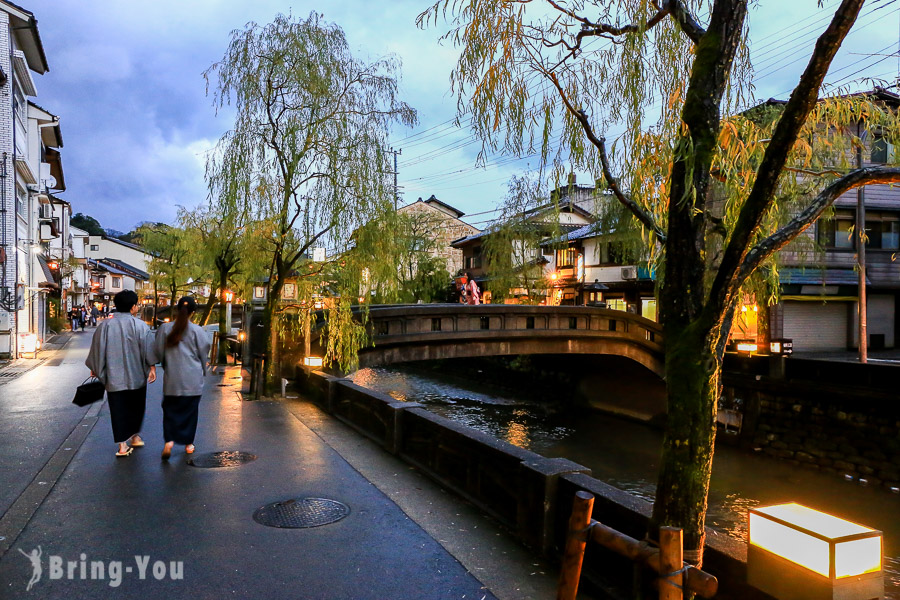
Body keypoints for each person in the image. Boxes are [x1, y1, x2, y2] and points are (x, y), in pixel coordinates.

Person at [85, 290, 156, 457]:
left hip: (113, 377)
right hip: (137, 375)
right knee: (136, 407)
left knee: (118, 409)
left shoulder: (105, 326)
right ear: (132, 307)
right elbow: (149, 350)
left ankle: (122, 446)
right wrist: (152, 367)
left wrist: (96, 367)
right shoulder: (140, 326)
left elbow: (97, 349)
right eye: (136, 305)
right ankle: (135, 436)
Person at [152, 296, 211, 460]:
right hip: (192, 380)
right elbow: (203, 353)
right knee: (190, 412)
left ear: (177, 309)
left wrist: (166, 365)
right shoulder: (197, 331)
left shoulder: (165, 329)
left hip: (172, 379)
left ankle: (169, 442)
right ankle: (188, 444)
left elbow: (158, 351)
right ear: (193, 312)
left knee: (170, 411)